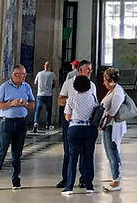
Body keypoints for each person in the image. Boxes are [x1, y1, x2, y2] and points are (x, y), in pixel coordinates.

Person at [0, 64, 35, 191]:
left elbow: (32, 104)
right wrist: (11, 103)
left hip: (21, 123)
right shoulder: (4, 87)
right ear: (15, 75)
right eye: (22, 74)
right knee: (1, 152)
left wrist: (26, 104)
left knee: (17, 153)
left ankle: (16, 179)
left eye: (25, 75)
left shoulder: (26, 87)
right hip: (7, 122)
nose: (24, 77)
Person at [56, 60, 94, 191]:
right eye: (88, 69)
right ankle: (66, 179)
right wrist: (74, 102)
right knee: (69, 152)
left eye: (91, 69)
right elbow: (60, 100)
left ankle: (84, 179)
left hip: (86, 124)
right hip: (71, 122)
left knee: (85, 153)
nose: (90, 71)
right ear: (80, 70)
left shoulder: (92, 85)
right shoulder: (68, 83)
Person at [61, 74, 99, 196]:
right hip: (89, 129)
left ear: (75, 86)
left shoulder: (71, 98)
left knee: (73, 158)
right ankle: (89, 186)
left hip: (74, 129)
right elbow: (96, 112)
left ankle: (69, 187)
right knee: (88, 157)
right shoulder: (92, 97)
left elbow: (67, 116)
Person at [98, 67, 128, 192]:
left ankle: (116, 179)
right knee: (110, 152)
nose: (104, 83)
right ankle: (114, 176)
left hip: (112, 126)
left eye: (105, 80)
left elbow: (112, 112)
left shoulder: (118, 92)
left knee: (112, 152)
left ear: (109, 80)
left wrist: (104, 124)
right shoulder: (112, 91)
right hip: (108, 126)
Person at [33, 60, 58, 132]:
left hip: (40, 94)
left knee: (38, 110)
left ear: (44, 66)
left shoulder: (39, 74)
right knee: (49, 110)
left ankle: (35, 124)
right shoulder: (52, 74)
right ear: (50, 67)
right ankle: (48, 124)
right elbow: (55, 84)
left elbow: (35, 83)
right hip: (48, 94)